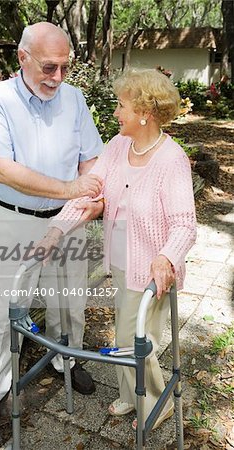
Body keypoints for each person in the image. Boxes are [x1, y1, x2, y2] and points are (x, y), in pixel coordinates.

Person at [38, 68, 197, 430]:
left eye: (121, 105)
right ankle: (131, 395)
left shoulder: (171, 160)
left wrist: (166, 257)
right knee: (129, 335)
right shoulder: (116, 147)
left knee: (133, 338)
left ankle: (157, 403)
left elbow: (185, 224)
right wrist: (55, 231)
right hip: (123, 261)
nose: (115, 112)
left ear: (145, 111)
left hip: (155, 268)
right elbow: (89, 195)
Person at [0, 22, 104, 436]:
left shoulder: (75, 99)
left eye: (65, 67)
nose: (58, 77)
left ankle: (67, 359)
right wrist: (70, 187)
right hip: (14, 220)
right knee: (7, 308)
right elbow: (4, 169)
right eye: (49, 67)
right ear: (22, 57)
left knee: (69, 302)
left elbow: (91, 163)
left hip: (66, 223)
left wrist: (87, 197)